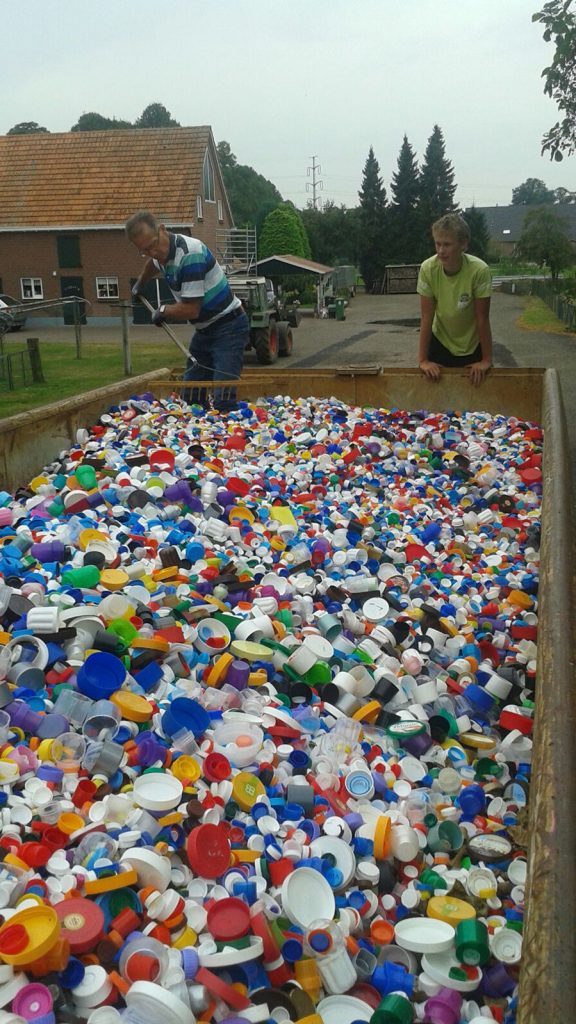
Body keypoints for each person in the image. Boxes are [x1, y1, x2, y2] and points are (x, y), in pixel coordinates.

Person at [126, 210, 249, 410]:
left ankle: (234, 433)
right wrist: (141, 283)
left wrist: (163, 311)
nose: (152, 252)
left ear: (162, 229)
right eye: (144, 250)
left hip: (229, 326)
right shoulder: (162, 252)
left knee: (224, 398)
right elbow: (152, 264)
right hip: (205, 331)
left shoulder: (190, 255)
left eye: (152, 245)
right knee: (191, 396)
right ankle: (202, 435)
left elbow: (192, 310)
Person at [417, 213, 493, 385]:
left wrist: (486, 359)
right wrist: (423, 360)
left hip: (472, 344)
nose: (441, 251)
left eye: (447, 245)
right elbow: (426, 317)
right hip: (441, 341)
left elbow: (482, 318)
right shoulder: (428, 269)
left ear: (463, 244)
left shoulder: (479, 271)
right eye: (438, 244)